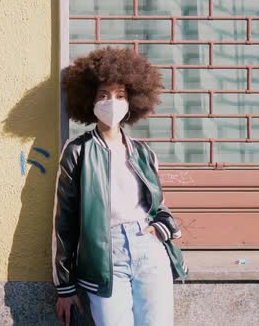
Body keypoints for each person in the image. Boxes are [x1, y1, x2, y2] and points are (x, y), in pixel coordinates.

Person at [53, 47, 187, 326]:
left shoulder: (143, 152)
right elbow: (63, 220)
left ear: (132, 102)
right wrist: (64, 286)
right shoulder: (78, 151)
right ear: (90, 101)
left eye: (120, 96)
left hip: (148, 247)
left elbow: (158, 206)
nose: (111, 103)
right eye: (103, 95)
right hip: (105, 253)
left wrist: (157, 231)